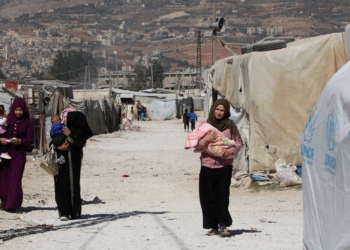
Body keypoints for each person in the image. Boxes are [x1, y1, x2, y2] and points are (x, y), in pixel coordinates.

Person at [194, 99, 242, 237]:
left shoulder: (230, 125)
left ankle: (223, 224)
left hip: (224, 166)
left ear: (226, 111)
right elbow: (197, 144)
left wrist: (230, 152)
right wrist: (206, 140)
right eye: (217, 109)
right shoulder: (205, 125)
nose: (219, 112)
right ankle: (212, 226)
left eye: (222, 110)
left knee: (222, 196)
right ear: (213, 109)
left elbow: (238, 143)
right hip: (207, 166)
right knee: (207, 197)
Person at [54, 110, 93, 221]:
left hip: (73, 164)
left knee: (73, 186)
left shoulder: (79, 132)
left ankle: (74, 212)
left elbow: (78, 144)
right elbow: (53, 142)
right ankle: (63, 212)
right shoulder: (61, 129)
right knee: (61, 186)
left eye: (67, 118)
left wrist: (69, 135)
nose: (64, 120)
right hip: (61, 163)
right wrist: (59, 148)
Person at [0, 97, 34, 213]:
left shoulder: (27, 122)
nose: (18, 112)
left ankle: (13, 204)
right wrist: (2, 140)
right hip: (6, 153)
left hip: (19, 153)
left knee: (15, 178)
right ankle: (5, 202)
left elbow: (30, 139)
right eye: (16, 110)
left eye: (20, 110)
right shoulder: (6, 121)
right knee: (4, 178)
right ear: (13, 109)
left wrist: (20, 141)